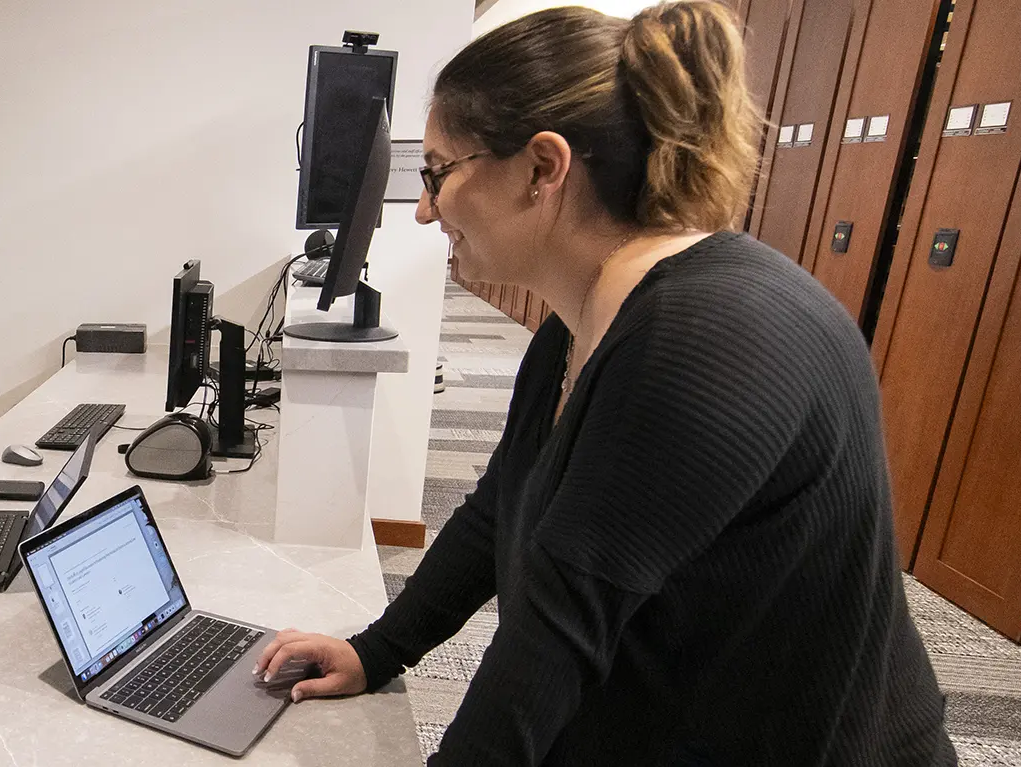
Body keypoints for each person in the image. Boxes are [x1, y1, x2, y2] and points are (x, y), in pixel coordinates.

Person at [253, 3, 954, 763]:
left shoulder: (704, 340)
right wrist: (378, 649)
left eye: (438, 172)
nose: (425, 210)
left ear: (543, 168)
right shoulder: (582, 319)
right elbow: (500, 513)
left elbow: (553, 639)